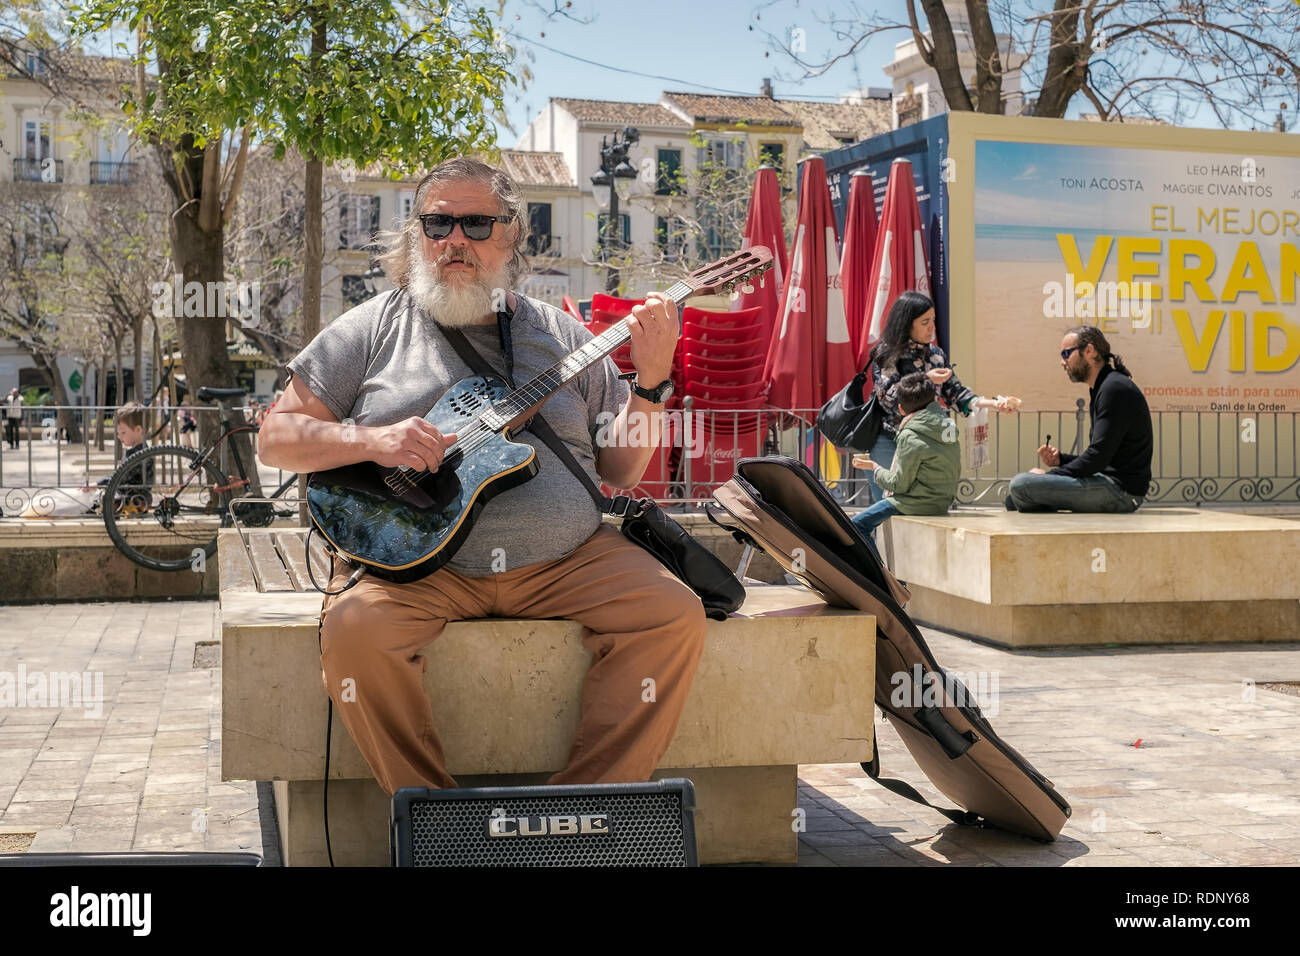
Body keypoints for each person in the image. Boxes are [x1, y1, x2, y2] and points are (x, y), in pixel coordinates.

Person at [257, 156, 707, 797]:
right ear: (416, 235)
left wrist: (654, 382)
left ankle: (584, 815)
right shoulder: (370, 328)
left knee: (673, 615)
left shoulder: (563, 337)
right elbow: (277, 438)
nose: (454, 241)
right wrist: (375, 440)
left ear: (512, 233)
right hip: (419, 570)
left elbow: (621, 468)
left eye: (475, 222)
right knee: (355, 633)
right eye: (437, 224)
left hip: (567, 562)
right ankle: (436, 826)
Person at [863, 291, 1018, 503]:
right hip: (888, 439)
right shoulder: (887, 355)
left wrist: (994, 403)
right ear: (907, 324)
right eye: (924, 322)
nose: (931, 328)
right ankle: (865, 535)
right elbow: (888, 398)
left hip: (925, 442)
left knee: (918, 506)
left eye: (933, 321)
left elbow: (956, 393)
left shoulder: (936, 355)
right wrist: (926, 378)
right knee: (890, 504)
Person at [1007, 325, 1152, 513]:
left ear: (1089, 351)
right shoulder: (1103, 387)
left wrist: (1050, 475)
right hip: (1107, 485)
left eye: (1066, 354)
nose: (1062, 362)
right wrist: (1062, 460)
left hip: (1120, 493)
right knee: (1015, 497)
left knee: (1022, 485)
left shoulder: (1114, 388)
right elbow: (1103, 458)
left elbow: (1098, 458)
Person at [851, 371, 961, 559]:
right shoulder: (948, 425)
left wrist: (874, 467)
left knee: (856, 526)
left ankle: (883, 582)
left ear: (901, 409)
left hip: (916, 503)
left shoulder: (910, 434)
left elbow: (898, 484)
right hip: (942, 502)